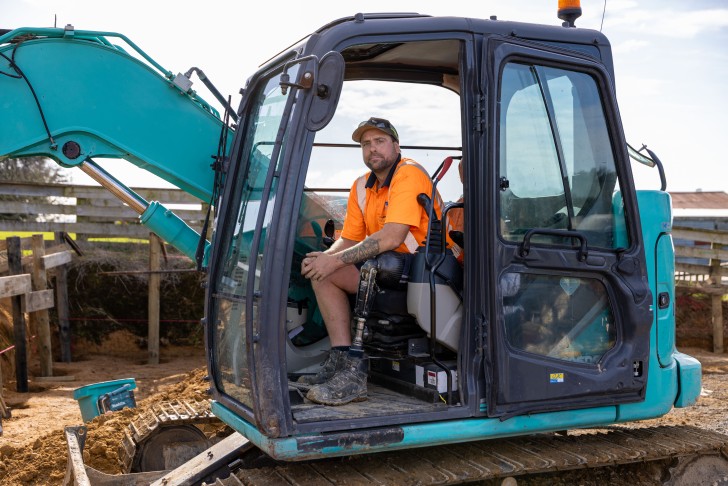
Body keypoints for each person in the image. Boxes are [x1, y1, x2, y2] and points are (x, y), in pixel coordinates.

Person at [298, 117, 448, 406]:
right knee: (323, 273)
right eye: (366, 144)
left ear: (396, 145)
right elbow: (351, 239)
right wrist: (325, 260)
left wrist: (335, 261)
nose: (372, 149)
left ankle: (356, 374)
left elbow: (392, 237)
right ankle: (342, 362)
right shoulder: (361, 187)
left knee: (375, 265)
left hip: (428, 272)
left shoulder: (409, 174)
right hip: (389, 268)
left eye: (379, 141)